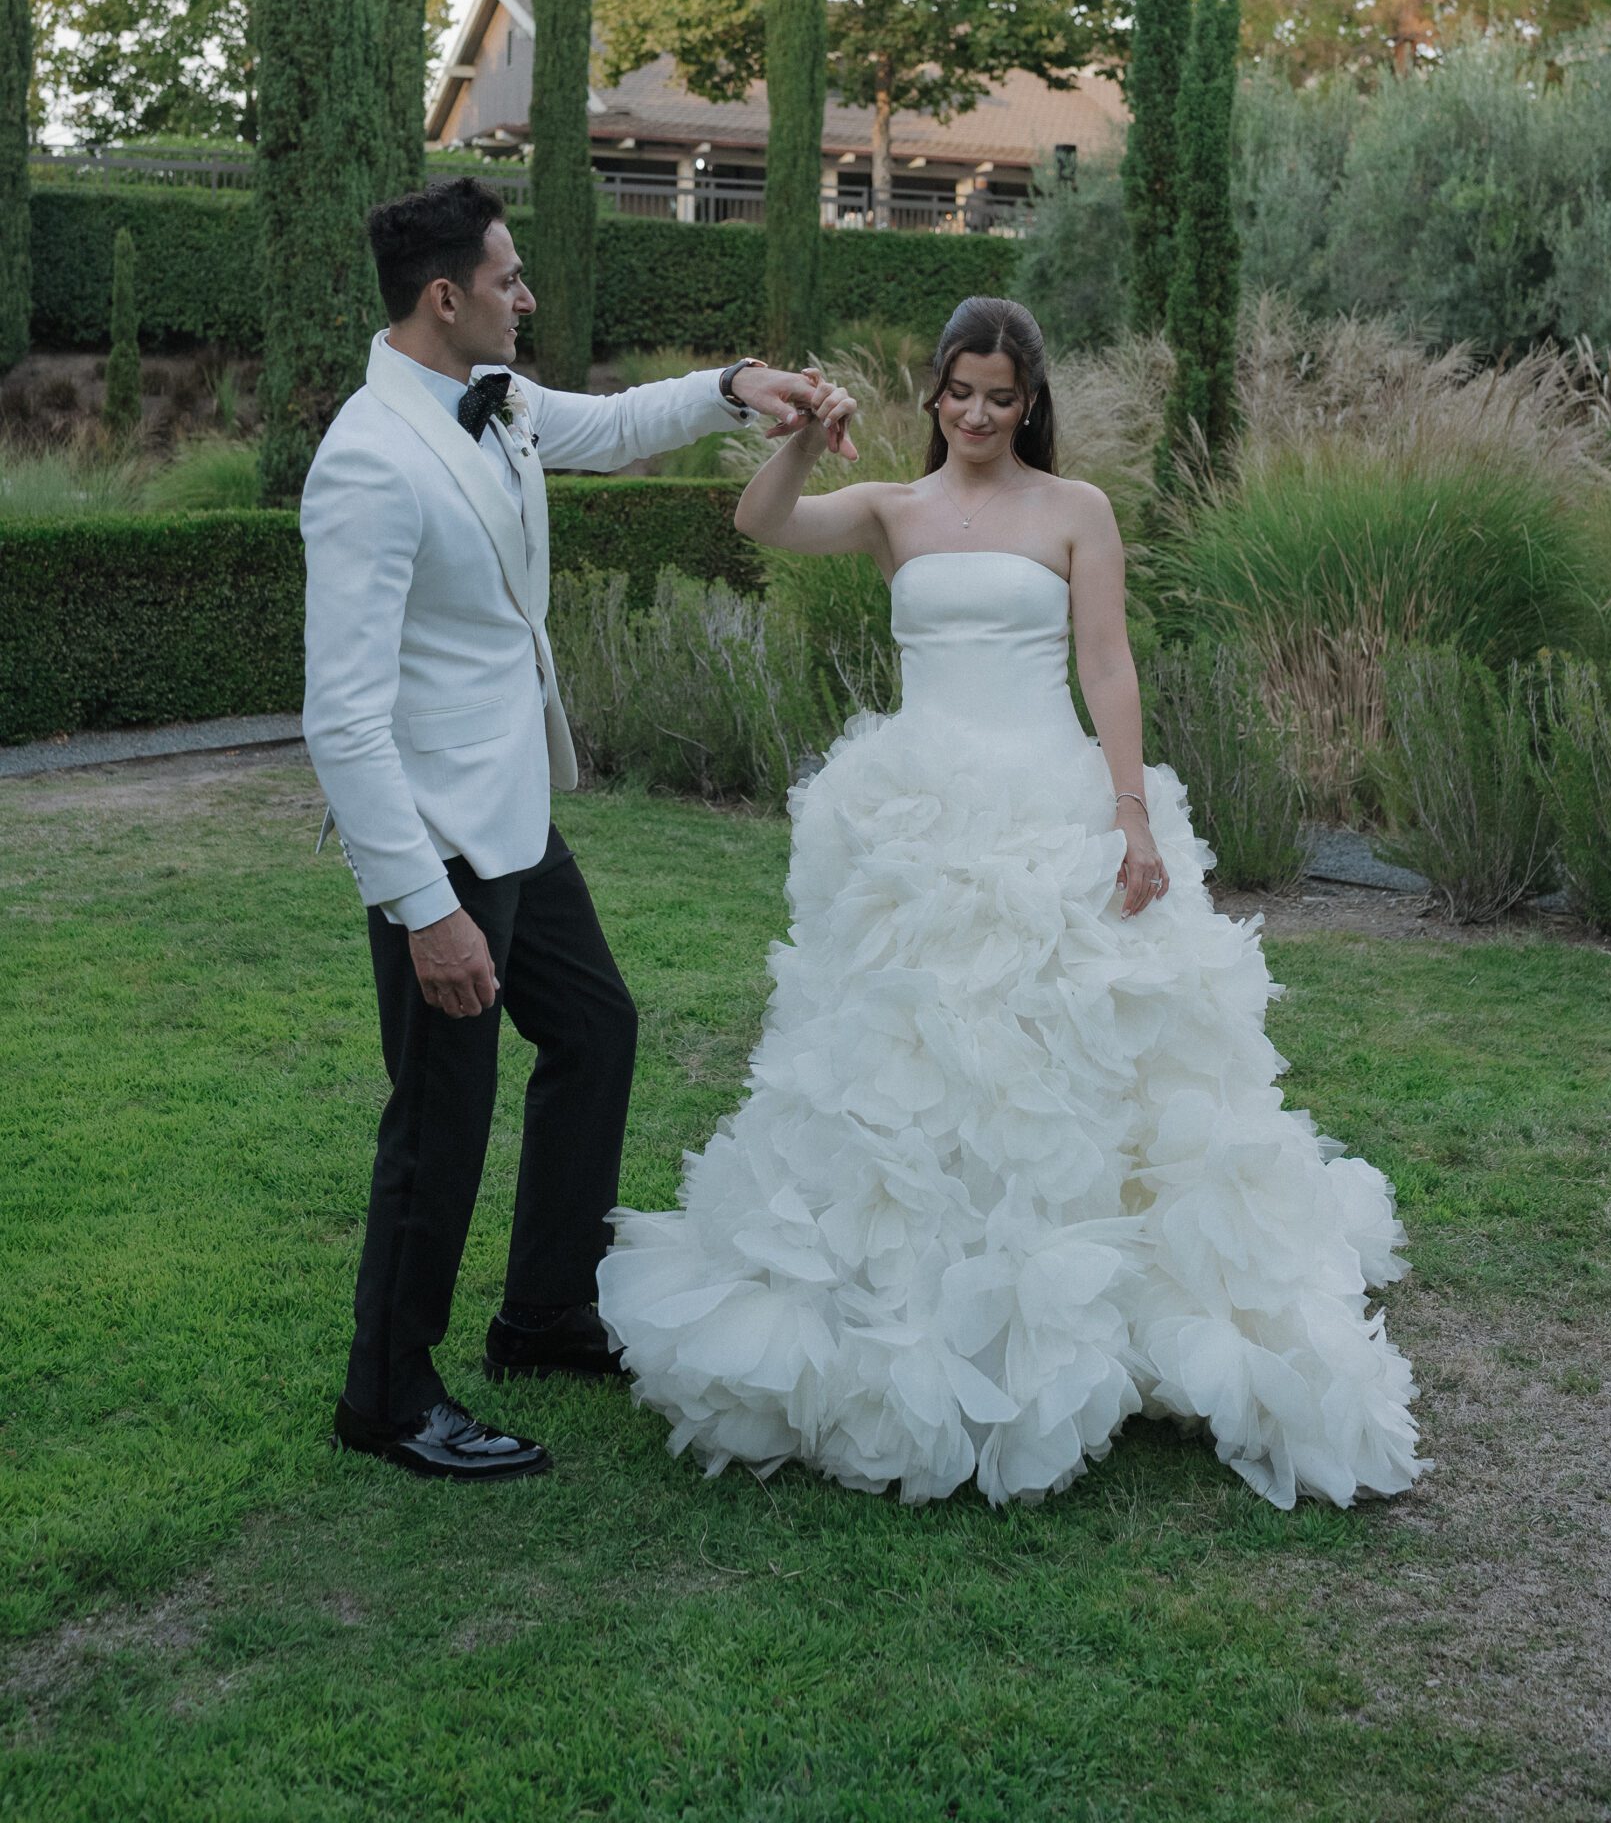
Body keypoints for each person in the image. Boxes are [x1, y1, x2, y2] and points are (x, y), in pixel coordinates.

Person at [599, 296, 1425, 1510]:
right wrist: (799, 430)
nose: (977, 413)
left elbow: (1107, 665)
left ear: (1029, 401)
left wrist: (1130, 814)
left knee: (1071, 1055)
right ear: (933, 394)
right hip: (918, 815)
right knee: (915, 1060)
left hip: (1048, 804)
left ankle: (1093, 1296)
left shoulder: (1076, 511)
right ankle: (920, 1292)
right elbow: (760, 521)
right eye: (958, 392)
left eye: (1000, 396)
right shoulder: (894, 509)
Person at [302, 176, 824, 1482]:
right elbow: (342, 719)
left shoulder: (502, 402)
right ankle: (386, 1394)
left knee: (594, 1027)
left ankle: (542, 1311)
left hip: (515, 818)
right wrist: (424, 910)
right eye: (509, 278)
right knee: (439, 1119)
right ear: (443, 298)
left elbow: (609, 421)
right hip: (441, 848)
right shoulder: (368, 459)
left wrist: (736, 383)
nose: (526, 298)